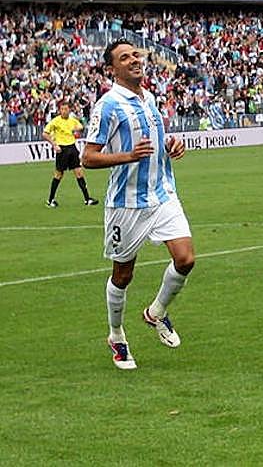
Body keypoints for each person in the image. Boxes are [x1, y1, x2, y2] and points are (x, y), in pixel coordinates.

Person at [82, 40, 192, 371]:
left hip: (162, 194)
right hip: (126, 204)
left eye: (135, 54)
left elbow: (154, 141)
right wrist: (128, 157)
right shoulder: (108, 105)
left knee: (185, 259)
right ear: (111, 69)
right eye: (124, 57)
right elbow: (88, 157)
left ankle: (155, 313)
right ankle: (116, 335)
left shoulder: (150, 98)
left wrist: (171, 144)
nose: (134, 60)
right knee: (123, 274)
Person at [42, 101, 98, 207]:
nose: (64, 111)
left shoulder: (72, 120)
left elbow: (81, 127)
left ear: (69, 110)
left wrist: (76, 131)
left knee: (79, 173)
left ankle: (87, 199)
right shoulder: (55, 121)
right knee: (59, 175)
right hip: (62, 149)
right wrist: (54, 145)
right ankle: (50, 200)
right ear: (59, 110)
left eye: (66, 109)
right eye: (62, 109)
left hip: (72, 148)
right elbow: (45, 133)